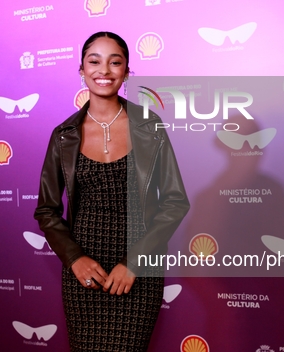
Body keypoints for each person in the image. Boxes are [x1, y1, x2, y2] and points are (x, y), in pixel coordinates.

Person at [34, 31, 189, 351]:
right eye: (94, 61)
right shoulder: (64, 135)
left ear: (126, 71)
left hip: (138, 267)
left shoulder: (149, 126)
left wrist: (134, 261)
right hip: (84, 273)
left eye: (114, 62)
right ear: (81, 70)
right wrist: (74, 259)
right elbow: (47, 210)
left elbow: (175, 201)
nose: (104, 70)